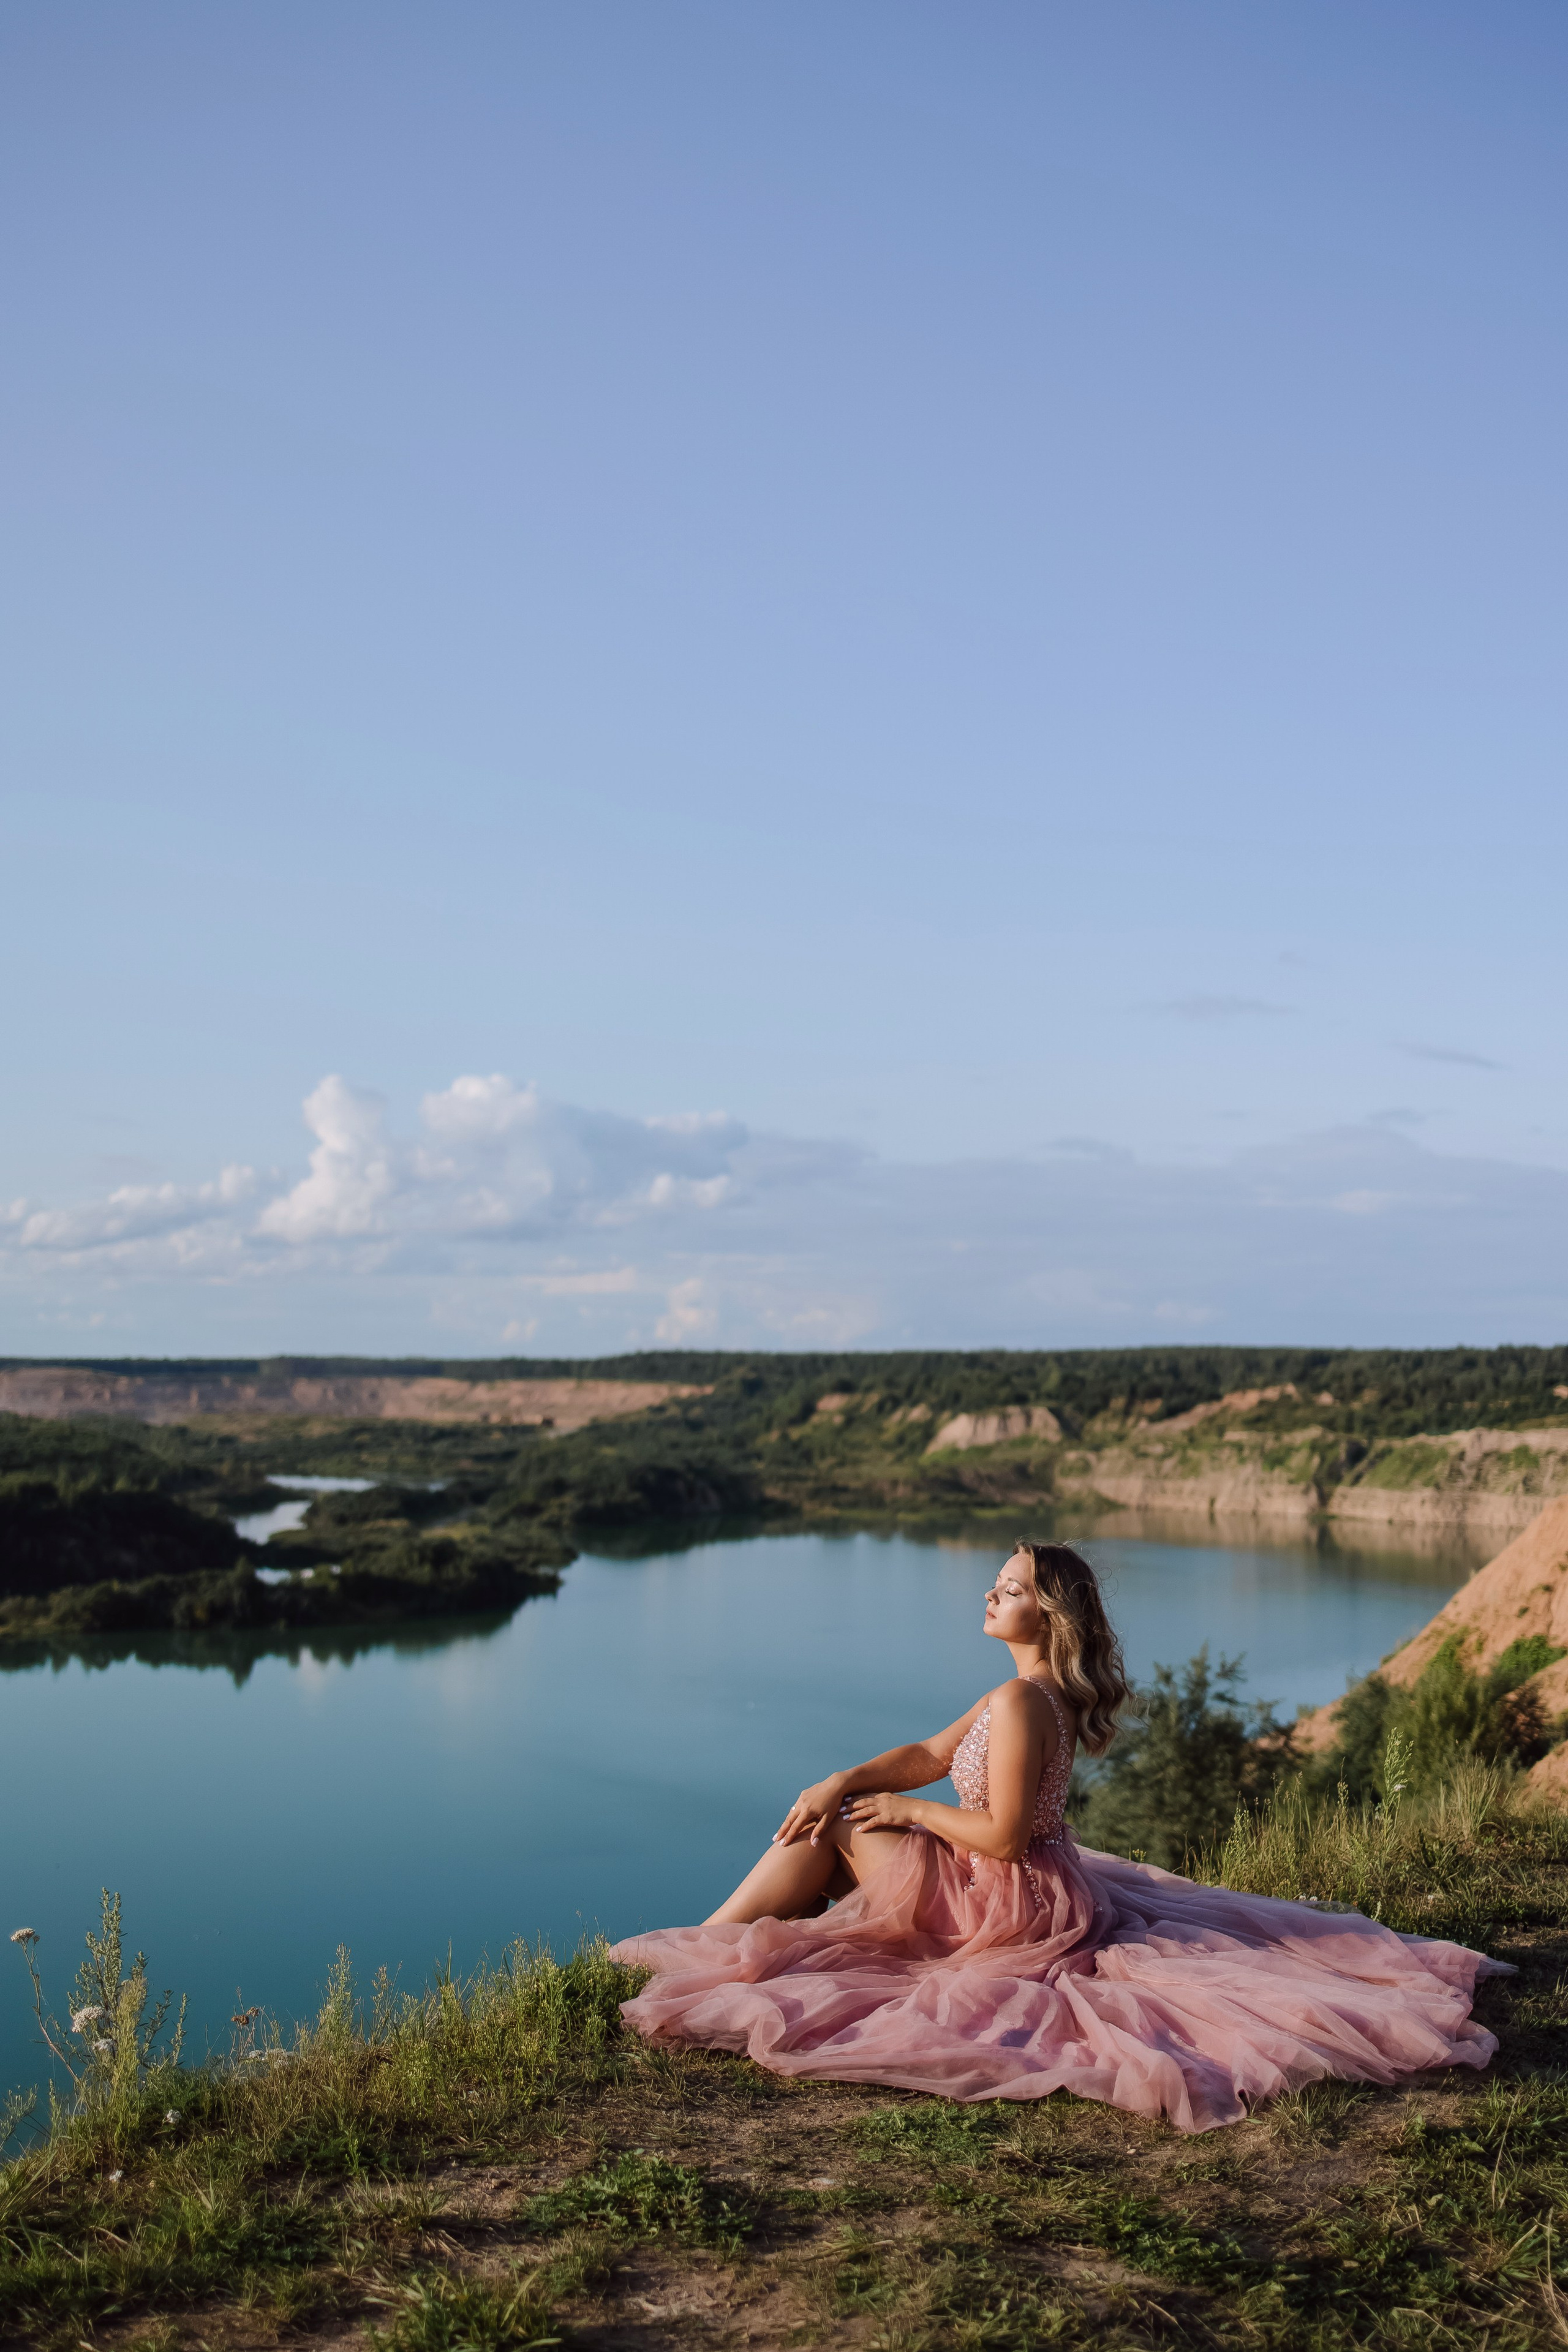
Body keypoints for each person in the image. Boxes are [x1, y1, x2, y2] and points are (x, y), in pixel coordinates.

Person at [611, 1540, 1509, 2134]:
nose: (990, 1595)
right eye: (997, 1584)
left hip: (1005, 1894)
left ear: (1046, 1614)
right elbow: (930, 1754)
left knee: (840, 1832)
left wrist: (904, 1812)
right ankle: (720, 1936)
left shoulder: (1021, 1700)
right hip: (1032, 1885)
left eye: (1008, 1590)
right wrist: (846, 1777)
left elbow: (1002, 1837)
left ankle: (710, 1939)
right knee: (842, 1811)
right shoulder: (1024, 1692)